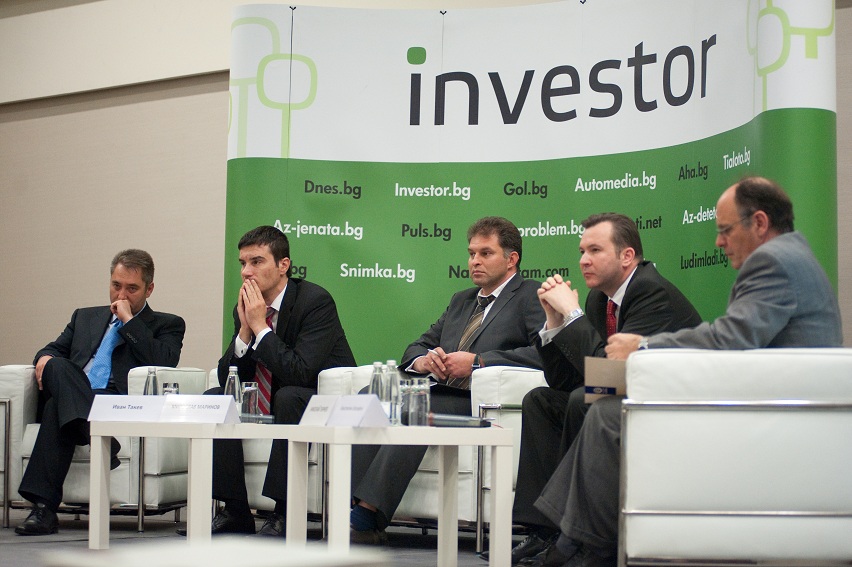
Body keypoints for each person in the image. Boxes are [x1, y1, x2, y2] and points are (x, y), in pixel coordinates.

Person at [534, 177, 843, 567]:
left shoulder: (773, 261)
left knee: (607, 413)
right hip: (775, 403)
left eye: (725, 230)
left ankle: (582, 547)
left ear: (760, 223)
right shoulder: (791, 256)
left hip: (778, 414)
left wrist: (643, 346)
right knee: (592, 405)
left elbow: (731, 336)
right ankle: (574, 542)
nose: (719, 241)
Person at [510, 213, 701, 565]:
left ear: (626, 256)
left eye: (595, 250)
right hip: (624, 397)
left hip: (668, 409)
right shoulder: (601, 299)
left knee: (583, 401)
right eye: (582, 251)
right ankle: (544, 531)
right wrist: (554, 323)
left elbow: (610, 375)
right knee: (541, 400)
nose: (584, 260)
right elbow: (568, 380)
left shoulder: (650, 291)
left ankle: (579, 539)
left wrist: (573, 315)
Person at [349, 216, 545, 544]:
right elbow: (417, 346)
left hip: (476, 402)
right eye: (471, 253)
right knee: (370, 395)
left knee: (416, 408)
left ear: (511, 259)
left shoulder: (531, 295)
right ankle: (352, 505)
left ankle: (365, 519)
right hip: (439, 390)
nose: (474, 261)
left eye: (485, 253)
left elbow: (543, 353)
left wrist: (478, 362)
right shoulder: (462, 300)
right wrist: (425, 361)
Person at [15, 249, 185, 536]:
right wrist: (44, 357)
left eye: (132, 288)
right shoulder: (84, 317)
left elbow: (164, 361)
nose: (121, 294)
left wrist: (130, 322)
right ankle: (94, 433)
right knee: (56, 365)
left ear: (149, 289)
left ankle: (44, 509)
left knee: (57, 406)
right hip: (78, 390)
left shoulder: (168, 324)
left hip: (114, 400)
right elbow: (52, 349)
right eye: (116, 285)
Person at [201, 225, 355, 537]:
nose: (246, 272)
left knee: (288, 395)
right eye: (243, 263)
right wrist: (245, 331)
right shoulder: (245, 308)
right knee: (215, 397)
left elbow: (301, 371)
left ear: (283, 265)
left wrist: (260, 328)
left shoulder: (315, 301)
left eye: (256, 262)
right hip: (271, 396)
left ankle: (285, 512)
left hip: (317, 399)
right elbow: (228, 378)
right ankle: (235, 510)